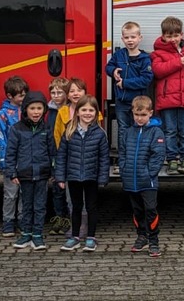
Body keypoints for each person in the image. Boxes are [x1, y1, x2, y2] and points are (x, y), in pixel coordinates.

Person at [54, 95, 111, 252]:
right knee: (76, 207)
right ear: (77, 112)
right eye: (84, 110)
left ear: (96, 113)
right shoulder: (69, 131)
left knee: (91, 207)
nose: (87, 113)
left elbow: (104, 158)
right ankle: (75, 237)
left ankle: (91, 238)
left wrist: (102, 177)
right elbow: (61, 156)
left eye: (91, 110)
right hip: (73, 176)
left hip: (91, 176)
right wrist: (60, 176)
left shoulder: (100, 134)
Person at [151, 16, 184, 175]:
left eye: (175, 35)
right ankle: (172, 160)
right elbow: (158, 71)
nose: (173, 39)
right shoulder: (157, 53)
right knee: (170, 131)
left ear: (182, 35)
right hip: (167, 100)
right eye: (169, 36)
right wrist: (179, 62)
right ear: (163, 36)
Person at [6, 91, 54, 250]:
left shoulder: (47, 128)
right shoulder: (16, 129)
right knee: (26, 205)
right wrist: (12, 172)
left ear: (44, 110)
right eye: (32, 108)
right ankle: (26, 233)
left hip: (42, 174)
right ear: (25, 109)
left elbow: (52, 151)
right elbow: (11, 152)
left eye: (39, 108)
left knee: (40, 206)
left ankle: (38, 235)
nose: (36, 112)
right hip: (24, 174)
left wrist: (53, 171)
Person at [120, 95, 166, 257]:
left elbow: (158, 155)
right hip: (131, 180)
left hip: (148, 181)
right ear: (132, 113)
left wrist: (149, 173)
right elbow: (123, 153)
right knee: (137, 210)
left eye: (143, 115)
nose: (139, 118)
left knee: (150, 209)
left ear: (150, 113)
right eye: (137, 115)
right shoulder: (128, 132)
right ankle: (141, 236)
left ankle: (154, 240)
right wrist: (124, 169)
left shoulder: (156, 132)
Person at [105, 21, 154, 148]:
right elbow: (108, 67)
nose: (130, 40)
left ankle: (137, 156)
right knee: (123, 130)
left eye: (133, 37)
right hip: (121, 101)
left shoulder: (144, 59)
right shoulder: (119, 55)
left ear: (140, 38)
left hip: (138, 102)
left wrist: (125, 83)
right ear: (122, 39)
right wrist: (113, 71)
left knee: (138, 128)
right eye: (126, 37)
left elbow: (146, 79)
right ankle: (124, 158)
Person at [49, 78, 86, 234]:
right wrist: (60, 158)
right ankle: (73, 224)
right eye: (72, 91)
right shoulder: (61, 113)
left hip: (85, 159)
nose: (75, 93)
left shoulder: (90, 109)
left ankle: (84, 226)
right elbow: (57, 136)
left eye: (79, 90)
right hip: (68, 159)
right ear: (68, 95)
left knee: (85, 195)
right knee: (70, 195)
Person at [0, 76, 27, 237]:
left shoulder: (27, 112)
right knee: (10, 193)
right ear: (10, 96)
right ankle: (8, 222)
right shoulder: (3, 114)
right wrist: (4, 160)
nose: (24, 98)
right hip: (11, 160)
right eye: (20, 95)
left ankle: (22, 220)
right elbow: (1, 138)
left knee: (23, 193)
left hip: (26, 160)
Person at [43, 77, 72, 235]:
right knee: (56, 188)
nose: (56, 95)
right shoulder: (49, 111)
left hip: (68, 154)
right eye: (53, 92)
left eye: (59, 92)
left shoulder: (69, 110)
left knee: (69, 189)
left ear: (66, 94)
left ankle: (69, 219)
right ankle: (59, 218)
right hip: (55, 154)